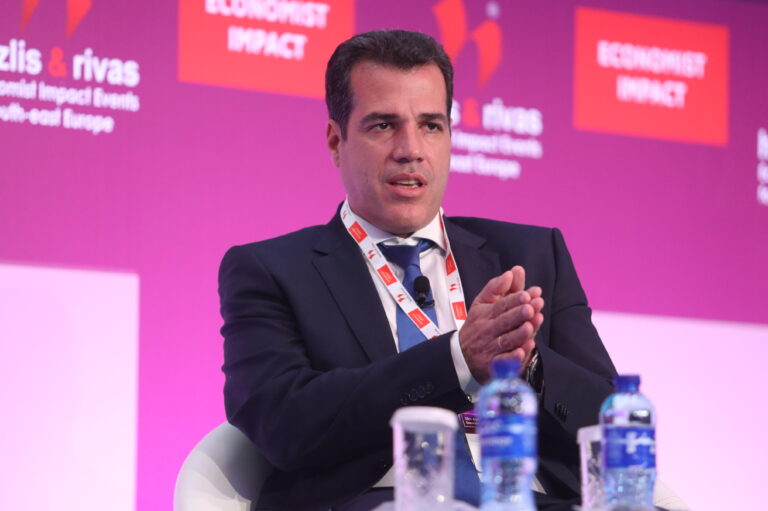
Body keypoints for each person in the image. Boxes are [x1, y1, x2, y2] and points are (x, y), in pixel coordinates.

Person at [218, 30, 616, 510]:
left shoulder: (532, 254)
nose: (410, 149)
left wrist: (529, 364)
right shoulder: (273, 271)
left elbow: (611, 423)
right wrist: (457, 360)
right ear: (336, 140)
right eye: (383, 125)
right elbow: (282, 425)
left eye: (430, 125)